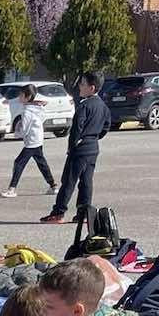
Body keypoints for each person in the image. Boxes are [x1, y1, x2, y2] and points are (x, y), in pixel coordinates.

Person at [41, 71, 110, 225]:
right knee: (86, 181)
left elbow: (76, 129)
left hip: (80, 148)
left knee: (68, 181)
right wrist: (94, 137)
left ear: (92, 88)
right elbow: (106, 126)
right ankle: (83, 214)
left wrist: (72, 147)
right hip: (93, 147)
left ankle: (58, 213)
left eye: (83, 84)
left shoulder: (84, 106)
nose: (79, 86)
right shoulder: (103, 106)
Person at [1, 85, 55, 199]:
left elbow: (24, 130)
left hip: (32, 142)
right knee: (41, 163)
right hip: (38, 139)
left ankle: (12, 189)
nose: (19, 97)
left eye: (21, 95)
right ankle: (53, 186)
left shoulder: (27, 112)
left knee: (18, 163)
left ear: (28, 96)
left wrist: (17, 131)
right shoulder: (36, 108)